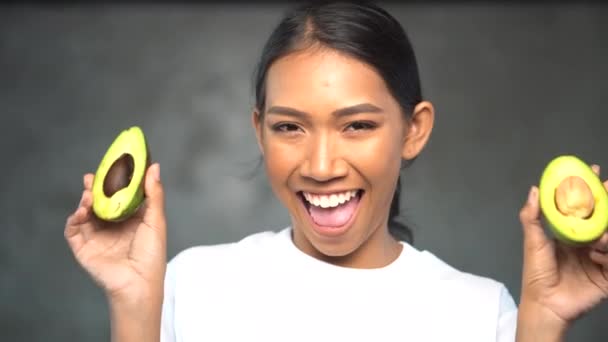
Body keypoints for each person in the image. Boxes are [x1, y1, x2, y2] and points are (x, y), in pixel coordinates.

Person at [64, 1, 608, 341]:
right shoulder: (193, 283)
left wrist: (546, 320)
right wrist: (134, 303)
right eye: (289, 128)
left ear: (414, 129)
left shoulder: (481, 311)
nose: (321, 167)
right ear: (259, 130)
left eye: (357, 126)